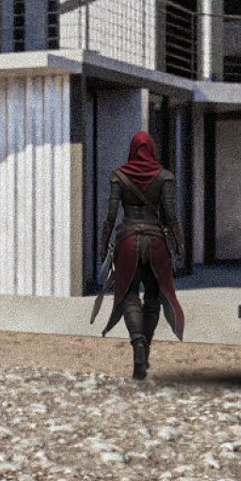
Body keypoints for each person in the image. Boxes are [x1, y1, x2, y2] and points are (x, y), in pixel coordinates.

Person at [95, 130, 185, 379]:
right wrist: (180, 245)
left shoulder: (119, 176)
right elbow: (171, 216)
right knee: (153, 298)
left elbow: (111, 215)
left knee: (129, 295)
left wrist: (103, 244)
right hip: (156, 243)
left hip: (127, 242)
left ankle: (138, 347)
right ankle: (145, 351)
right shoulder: (164, 177)